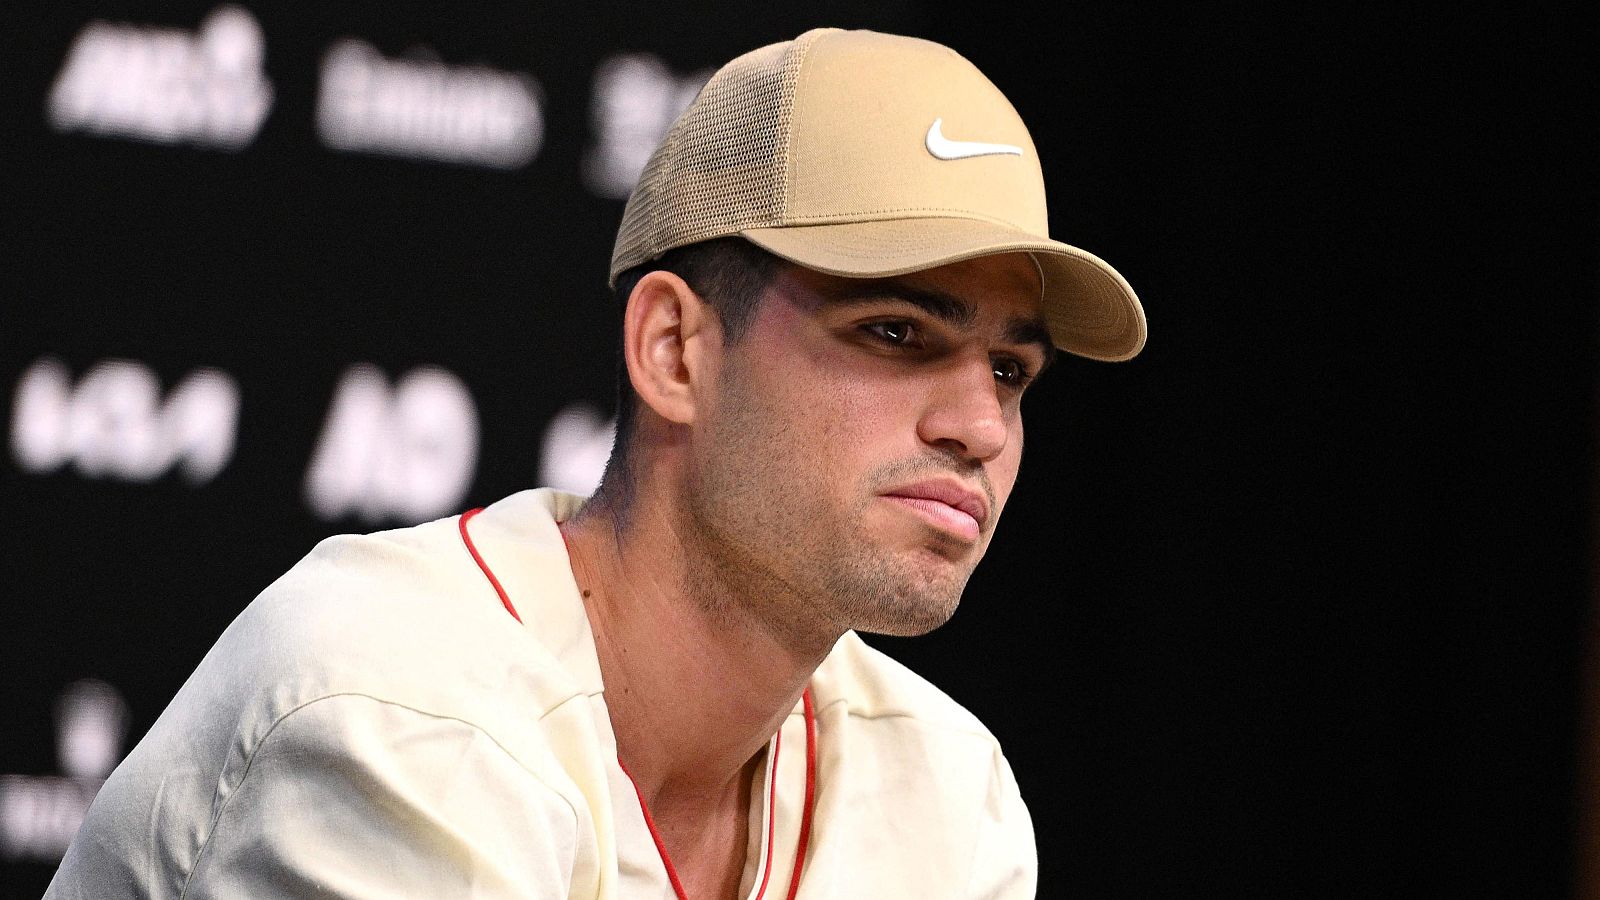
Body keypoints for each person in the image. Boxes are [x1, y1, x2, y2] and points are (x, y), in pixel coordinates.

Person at [46, 27, 1145, 899]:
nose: (980, 427)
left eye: (1009, 370)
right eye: (897, 332)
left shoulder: (947, 797)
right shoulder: (402, 713)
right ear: (676, 350)